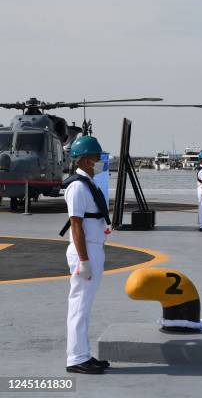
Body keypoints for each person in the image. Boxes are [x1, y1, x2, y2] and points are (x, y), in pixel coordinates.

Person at [62, 136, 111, 374]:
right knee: (79, 306)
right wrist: (83, 261)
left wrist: (103, 228)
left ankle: (83, 354)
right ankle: (76, 358)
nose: (101, 161)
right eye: (98, 157)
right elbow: (76, 225)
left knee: (85, 306)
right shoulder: (78, 187)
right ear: (87, 160)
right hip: (86, 252)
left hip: (93, 248)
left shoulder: (89, 183)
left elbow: (89, 219)